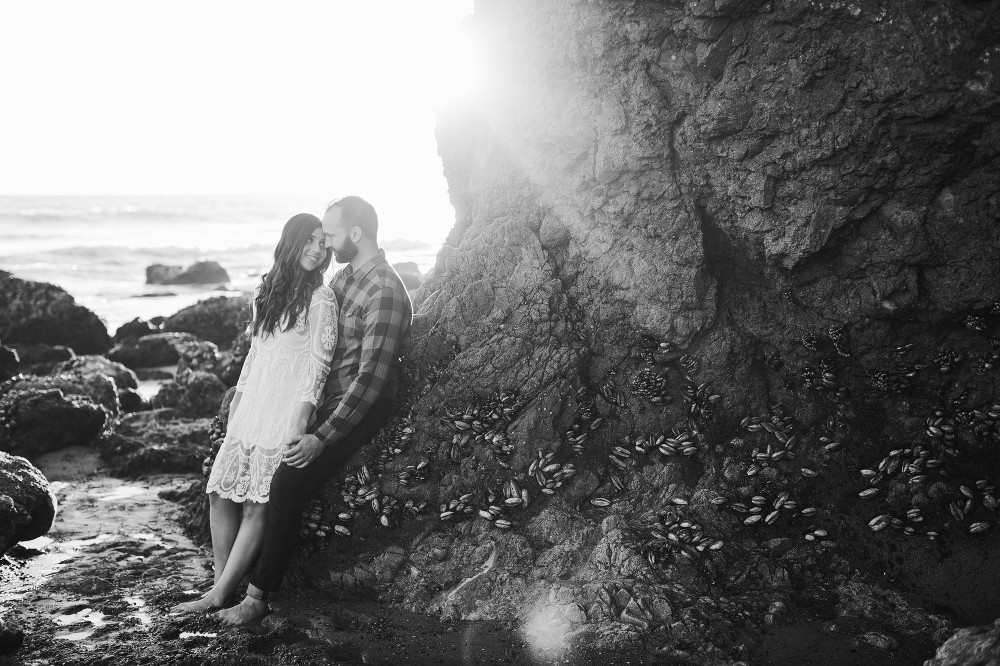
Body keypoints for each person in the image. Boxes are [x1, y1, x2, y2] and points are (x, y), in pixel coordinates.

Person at [215, 195, 413, 625]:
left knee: (284, 484)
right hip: (327, 399)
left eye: (333, 235)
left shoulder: (384, 290)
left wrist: (320, 438)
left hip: (359, 408)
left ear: (355, 234)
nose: (327, 246)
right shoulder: (346, 278)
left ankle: (257, 597)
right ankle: (225, 583)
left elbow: (371, 382)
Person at [171, 213, 337, 614]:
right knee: (217, 493)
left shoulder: (321, 299)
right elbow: (254, 356)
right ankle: (219, 586)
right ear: (292, 242)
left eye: (323, 243)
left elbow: (319, 365)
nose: (317, 250)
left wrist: (301, 420)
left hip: (284, 411)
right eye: (310, 241)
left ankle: (220, 593)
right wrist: (239, 400)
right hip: (254, 406)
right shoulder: (267, 295)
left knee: (256, 504)